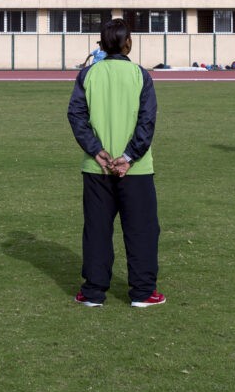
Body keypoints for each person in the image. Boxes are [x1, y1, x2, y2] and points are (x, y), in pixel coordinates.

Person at [67, 18, 163, 308]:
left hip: (97, 167)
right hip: (136, 169)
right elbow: (147, 121)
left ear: (102, 44)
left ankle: (93, 293)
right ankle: (143, 293)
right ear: (128, 43)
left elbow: (76, 116)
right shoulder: (140, 75)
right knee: (141, 230)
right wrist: (129, 156)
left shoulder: (88, 75)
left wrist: (97, 151)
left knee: (97, 229)